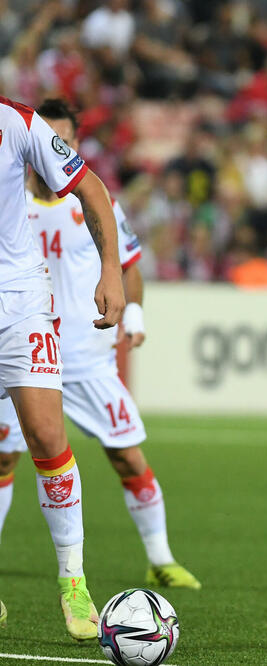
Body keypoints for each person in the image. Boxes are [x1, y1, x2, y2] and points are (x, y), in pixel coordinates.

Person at [0, 99, 200, 596]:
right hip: (23, 345)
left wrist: (134, 313)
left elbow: (129, 264)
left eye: (65, 138)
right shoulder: (13, 199)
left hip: (86, 357)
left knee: (126, 455)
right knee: (4, 460)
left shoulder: (93, 202)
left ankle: (161, 559)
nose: (57, 146)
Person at [0, 95, 124, 640]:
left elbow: (90, 187)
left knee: (48, 437)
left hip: (19, 298)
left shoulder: (16, 121)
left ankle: (73, 581)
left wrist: (111, 270)